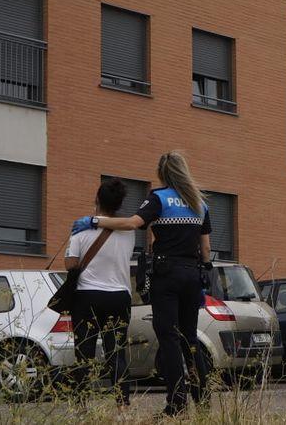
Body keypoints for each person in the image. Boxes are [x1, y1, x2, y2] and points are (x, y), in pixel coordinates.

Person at [72, 152, 211, 417]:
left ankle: (176, 404)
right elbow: (205, 248)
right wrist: (203, 273)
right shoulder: (199, 203)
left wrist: (93, 221)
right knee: (189, 339)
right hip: (192, 275)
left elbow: (132, 223)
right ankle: (202, 400)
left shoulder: (158, 198)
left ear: (162, 173)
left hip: (166, 274)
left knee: (169, 338)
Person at [65, 178, 135, 409]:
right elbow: (126, 226)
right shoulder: (128, 232)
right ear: (119, 203)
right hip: (119, 296)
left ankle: (81, 406)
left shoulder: (80, 231)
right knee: (116, 353)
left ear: (96, 200)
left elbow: (70, 264)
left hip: (87, 297)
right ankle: (122, 406)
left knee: (84, 355)